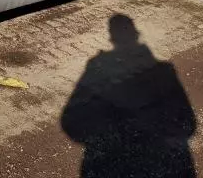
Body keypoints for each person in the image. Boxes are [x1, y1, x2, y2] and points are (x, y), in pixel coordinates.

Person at [62, 14, 196, 178]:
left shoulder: (97, 68)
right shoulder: (164, 72)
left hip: (110, 165)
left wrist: (100, 139)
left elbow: (70, 121)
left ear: (112, 38)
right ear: (136, 35)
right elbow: (188, 124)